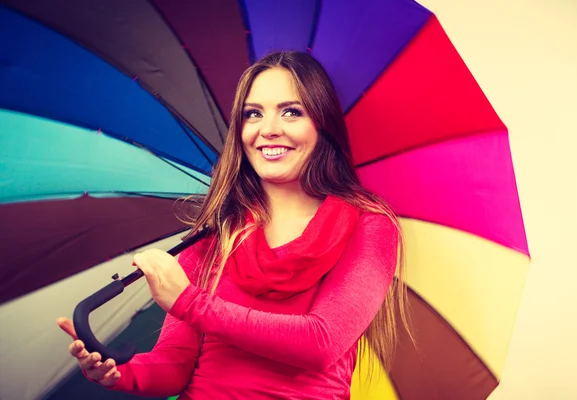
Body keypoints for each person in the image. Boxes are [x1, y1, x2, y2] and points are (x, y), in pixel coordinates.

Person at [57, 50, 412, 399]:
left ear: (322, 123)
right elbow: (175, 364)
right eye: (252, 114)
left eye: (291, 112)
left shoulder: (370, 225)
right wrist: (121, 373)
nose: (268, 130)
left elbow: (321, 341)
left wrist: (189, 302)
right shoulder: (215, 233)